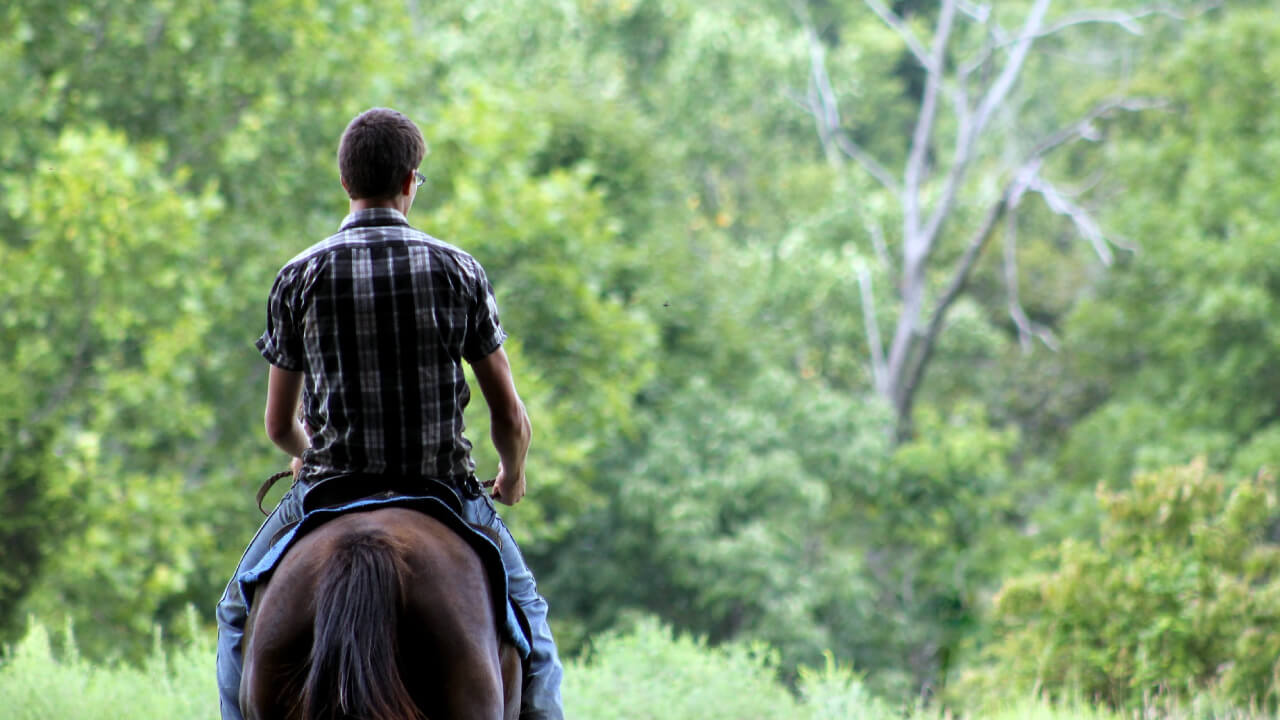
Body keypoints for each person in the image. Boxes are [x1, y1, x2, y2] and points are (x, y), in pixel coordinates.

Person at [214, 107, 564, 720]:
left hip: (328, 487)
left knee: (236, 615)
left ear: (345, 181)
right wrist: (512, 476)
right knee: (531, 626)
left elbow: (277, 425)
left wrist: (305, 455)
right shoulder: (458, 270)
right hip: (442, 490)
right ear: (409, 181)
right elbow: (509, 414)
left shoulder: (299, 276)